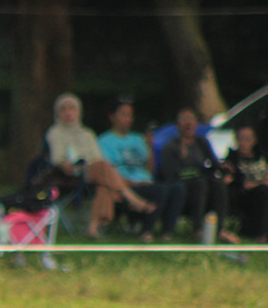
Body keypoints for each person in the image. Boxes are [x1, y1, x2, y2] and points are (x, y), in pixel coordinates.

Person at [44, 93, 155, 239]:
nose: (68, 112)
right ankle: (130, 197)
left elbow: (97, 157)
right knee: (103, 169)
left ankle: (92, 228)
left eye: (72, 108)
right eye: (63, 109)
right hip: (69, 174)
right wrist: (69, 165)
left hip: (93, 171)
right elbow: (57, 159)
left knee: (104, 185)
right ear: (58, 112)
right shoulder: (55, 133)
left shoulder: (87, 134)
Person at [98, 96, 185, 243]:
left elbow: (149, 170)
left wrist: (150, 148)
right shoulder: (104, 141)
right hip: (125, 186)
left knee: (178, 188)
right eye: (124, 114)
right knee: (160, 190)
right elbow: (108, 172)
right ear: (112, 117)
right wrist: (133, 183)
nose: (128, 119)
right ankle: (147, 231)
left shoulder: (138, 139)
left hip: (145, 181)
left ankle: (167, 232)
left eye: (130, 115)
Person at [158, 107, 236, 243]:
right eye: (184, 120)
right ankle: (197, 228)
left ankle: (219, 229)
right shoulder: (172, 146)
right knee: (199, 183)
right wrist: (182, 159)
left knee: (218, 185)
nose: (188, 123)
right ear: (178, 125)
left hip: (201, 181)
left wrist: (225, 171)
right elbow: (169, 173)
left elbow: (214, 165)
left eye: (191, 119)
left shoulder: (201, 142)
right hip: (182, 185)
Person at [223, 125, 268, 243]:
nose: (243, 143)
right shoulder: (232, 159)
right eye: (240, 139)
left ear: (254, 140)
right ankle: (260, 234)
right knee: (263, 192)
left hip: (261, 189)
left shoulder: (262, 157)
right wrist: (260, 183)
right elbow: (241, 184)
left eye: (247, 139)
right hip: (245, 196)